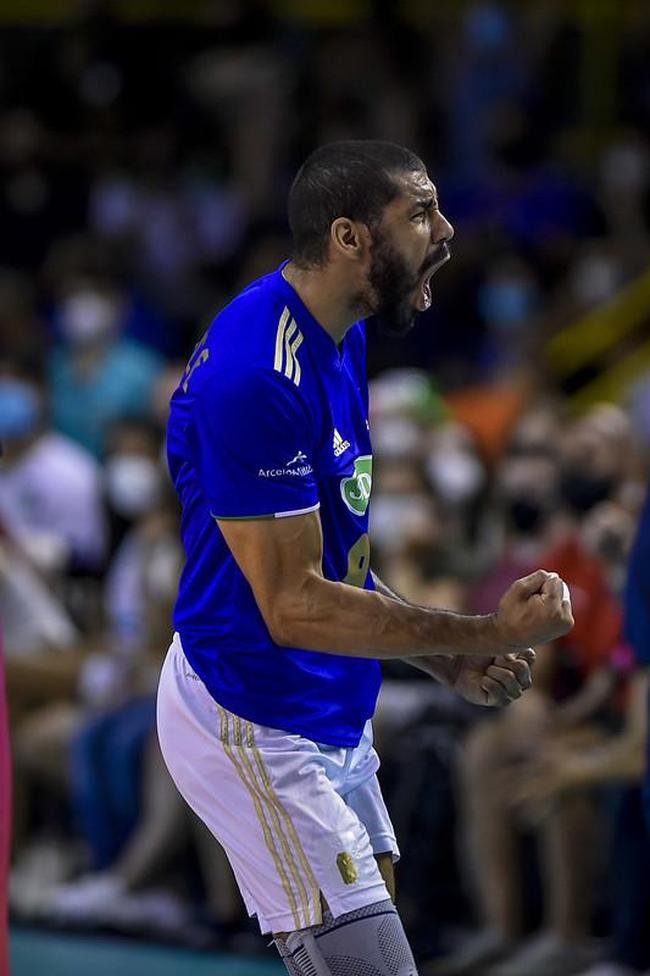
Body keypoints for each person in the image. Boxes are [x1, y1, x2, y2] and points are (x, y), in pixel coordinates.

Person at [156, 140, 574, 976]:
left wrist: (445, 660)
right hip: (255, 714)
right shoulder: (258, 373)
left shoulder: (340, 337)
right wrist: (482, 627)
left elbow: (339, 566)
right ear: (349, 238)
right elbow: (294, 603)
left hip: (332, 709)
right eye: (419, 213)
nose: (447, 230)